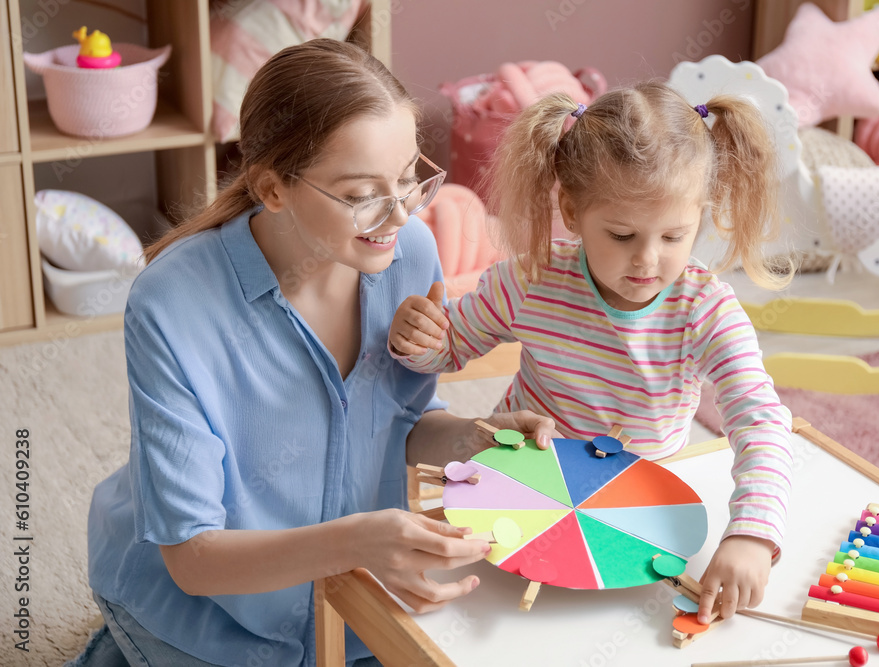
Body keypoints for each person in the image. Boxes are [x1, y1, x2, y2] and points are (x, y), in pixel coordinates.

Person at [70, 39, 558, 667]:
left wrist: (474, 436)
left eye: (410, 179)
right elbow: (192, 557)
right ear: (273, 189)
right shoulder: (171, 305)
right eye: (361, 193)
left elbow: (395, 423)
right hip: (204, 608)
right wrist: (358, 542)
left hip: (350, 591)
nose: (400, 213)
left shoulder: (409, 252)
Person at [388, 84, 795, 626]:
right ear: (572, 211)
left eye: (675, 235)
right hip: (522, 491)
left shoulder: (705, 309)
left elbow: (762, 421)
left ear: (701, 214)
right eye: (622, 234)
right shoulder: (531, 280)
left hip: (641, 509)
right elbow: (450, 349)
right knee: (478, 620)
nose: (648, 260)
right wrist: (419, 340)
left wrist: (751, 533)